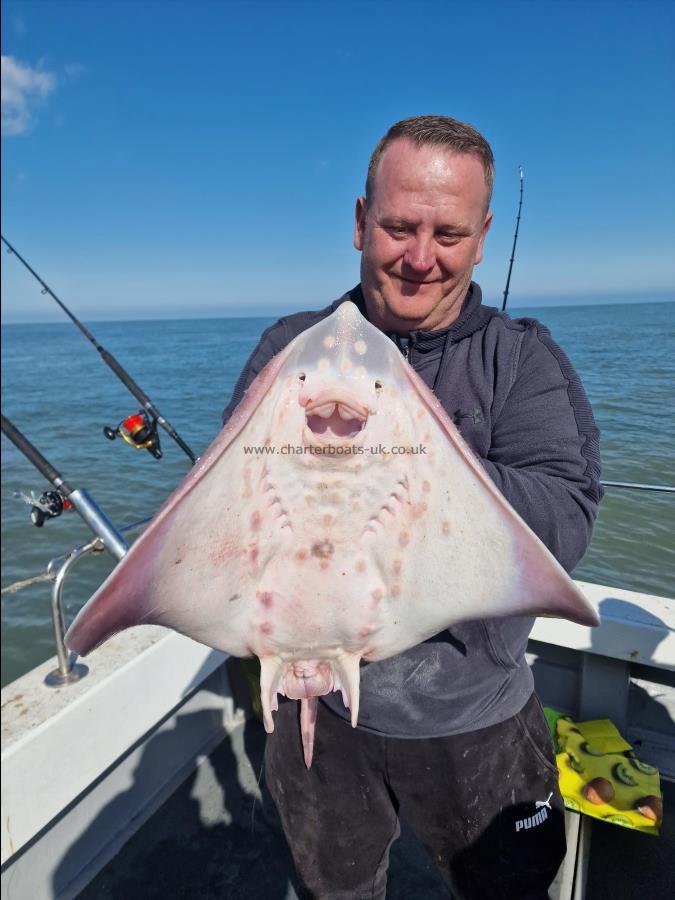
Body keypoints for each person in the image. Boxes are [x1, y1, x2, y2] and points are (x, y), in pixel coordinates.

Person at [222, 115, 602, 899]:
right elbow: (225, 512)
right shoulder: (289, 351)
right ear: (361, 220)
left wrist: (407, 452)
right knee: (333, 885)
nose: (420, 258)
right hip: (316, 713)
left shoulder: (520, 359)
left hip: (475, 712)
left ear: (483, 235)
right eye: (397, 226)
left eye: (448, 234)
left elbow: (563, 520)